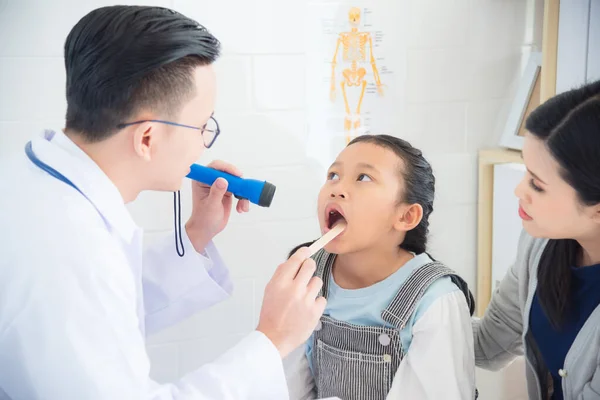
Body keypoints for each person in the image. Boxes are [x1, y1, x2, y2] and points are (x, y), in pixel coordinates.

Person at [0, 6, 326, 399]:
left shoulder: (36, 180)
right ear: (147, 138)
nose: (206, 142)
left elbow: (103, 313)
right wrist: (273, 340)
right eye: (204, 125)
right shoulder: (69, 247)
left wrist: (196, 235)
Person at [283, 135, 477, 400]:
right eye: (333, 175)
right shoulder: (306, 279)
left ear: (406, 216)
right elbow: (289, 387)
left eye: (363, 178)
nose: (337, 188)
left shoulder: (435, 300)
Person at [474, 80, 600, 399]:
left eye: (537, 185)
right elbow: (488, 344)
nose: (519, 191)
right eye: (524, 172)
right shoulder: (539, 244)